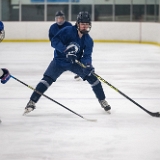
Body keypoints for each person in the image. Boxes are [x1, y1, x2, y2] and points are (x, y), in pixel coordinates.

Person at [24, 11, 111, 115]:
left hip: (74, 63)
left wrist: (87, 65)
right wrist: (65, 50)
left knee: (93, 78)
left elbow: (87, 56)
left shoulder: (88, 40)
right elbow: (54, 41)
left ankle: (102, 100)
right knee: (46, 80)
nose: (85, 26)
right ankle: (32, 102)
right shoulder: (67, 31)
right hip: (59, 61)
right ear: (78, 24)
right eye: (83, 24)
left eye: (87, 24)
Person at [49, 10, 80, 80]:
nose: (59, 20)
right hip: (59, 48)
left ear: (64, 18)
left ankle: (79, 72)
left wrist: (70, 46)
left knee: (73, 59)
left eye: (61, 18)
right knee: (57, 60)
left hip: (69, 46)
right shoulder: (53, 27)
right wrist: (59, 46)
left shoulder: (68, 25)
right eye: (58, 18)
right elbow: (52, 39)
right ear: (55, 19)